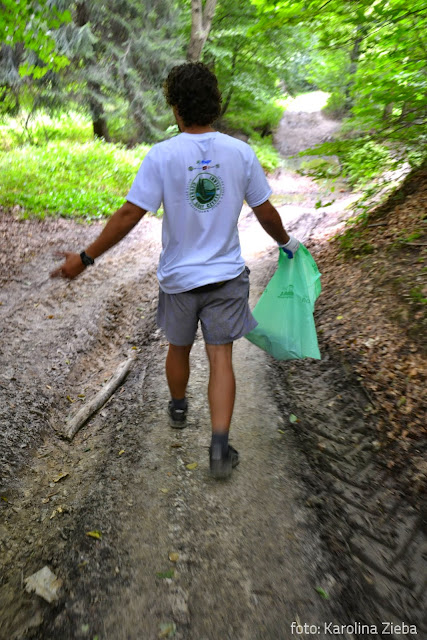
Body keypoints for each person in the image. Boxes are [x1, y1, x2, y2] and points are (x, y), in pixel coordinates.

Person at [51, 62, 299, 479]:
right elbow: (266, 211)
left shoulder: (163, 155)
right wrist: (287, 243)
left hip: (179, 279)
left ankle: (179, 407)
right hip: (225, 276)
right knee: (221, 357)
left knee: (178, 346)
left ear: (176, 107)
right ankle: (219, 447)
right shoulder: (240, 153)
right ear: (215, 104)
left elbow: (129, 214)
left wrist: (86, 257)